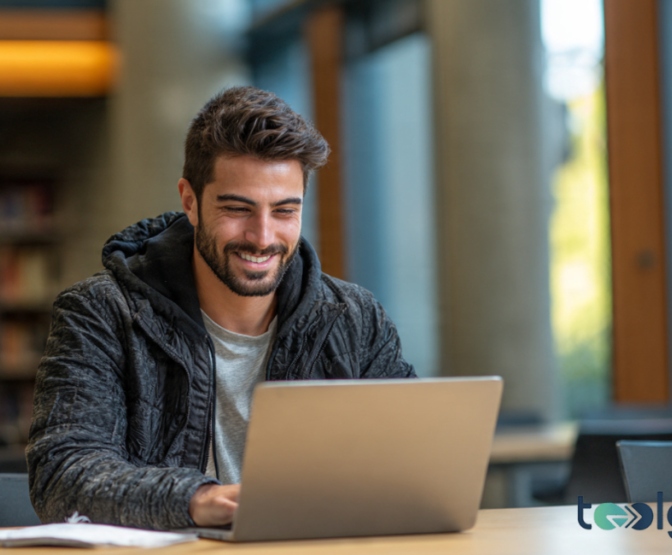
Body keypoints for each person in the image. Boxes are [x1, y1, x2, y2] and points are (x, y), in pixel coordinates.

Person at [26, 86, 416, 531]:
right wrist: (198, 499)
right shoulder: (101, 313)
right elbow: (61, 474)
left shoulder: (355, 317)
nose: (262, 236)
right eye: (238, 208)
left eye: (285, 211)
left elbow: (410, 462)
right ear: (190, 201)